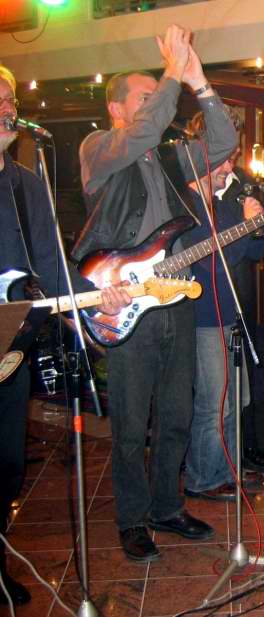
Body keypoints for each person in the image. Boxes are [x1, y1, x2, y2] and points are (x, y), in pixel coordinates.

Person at [73, 25, 238, 562]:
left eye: (157, 95)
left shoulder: (167, 158)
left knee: (176, 414)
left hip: (173, 300)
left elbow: (223, 144)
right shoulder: (100, 148)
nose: (155, 104)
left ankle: (167, 507)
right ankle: (132, 518)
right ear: (116, 109)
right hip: (124, 301)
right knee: (130, 422)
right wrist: (171, 72)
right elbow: (145, 131)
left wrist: (200, 81)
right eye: (143, 97)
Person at [0, 66, 130, 604]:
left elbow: (53, 268)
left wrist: (98, 301)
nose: (8, 107)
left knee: (8, 466)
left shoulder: (26, 185)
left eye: (10, 98)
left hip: (10, 349)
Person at [182, 132, 264, 501]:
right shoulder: (189, 206)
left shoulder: (219, 204)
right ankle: (203, 478)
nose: (231, 168)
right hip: (204, 319)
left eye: (232, 160)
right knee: (214, 404)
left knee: (235, 400)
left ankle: (227, 471)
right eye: (225, 161)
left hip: (229, 316)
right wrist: (246, 222)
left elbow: (253, 251)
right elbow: (218, 260)